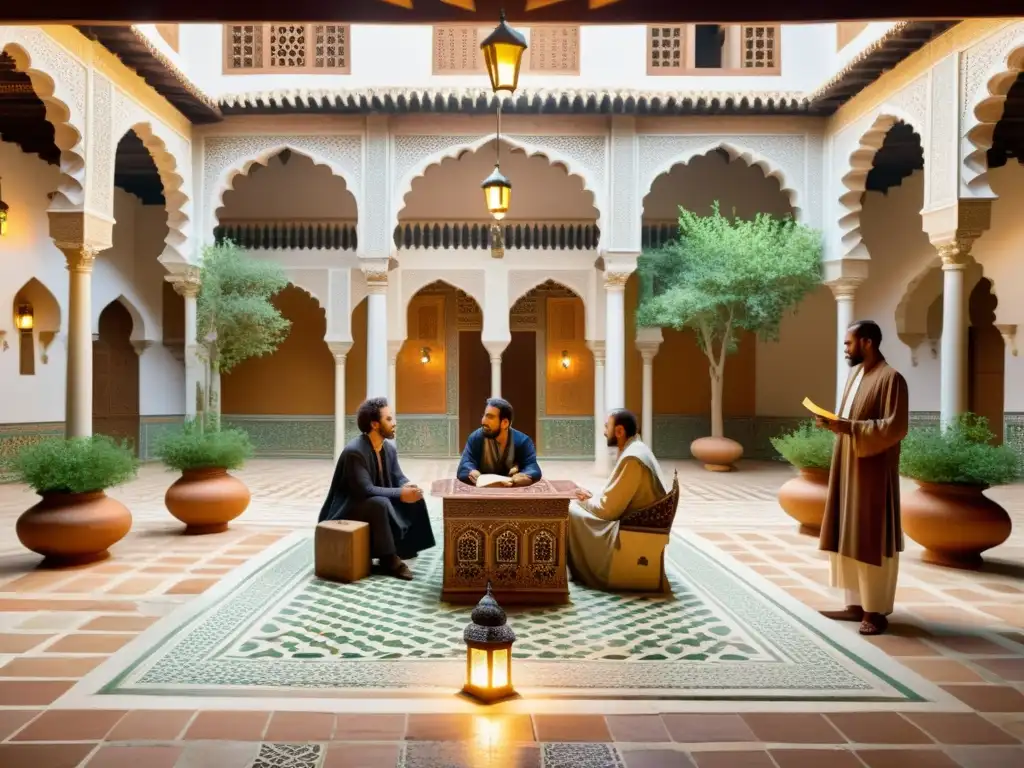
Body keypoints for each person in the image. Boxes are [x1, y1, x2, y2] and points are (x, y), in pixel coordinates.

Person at [816, 320, 908, 636]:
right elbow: (851, 421)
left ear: (867, 342)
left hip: (871, 474)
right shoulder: (856, 376)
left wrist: (851, 428)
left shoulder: (891, 378)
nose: (845, 349)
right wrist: (834, 424)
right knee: (849, 533)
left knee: (870, 536)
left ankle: (875, 611)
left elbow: (895, 427)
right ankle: (854, 604)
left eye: (848, 343)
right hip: (848, 468)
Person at [318, 397, 435, 580]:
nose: (394, 423)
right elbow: (365, 490)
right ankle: (388, 559)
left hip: (370, 503)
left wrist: (407, 485)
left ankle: (407, 547)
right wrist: (400, 494)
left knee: (414, 496)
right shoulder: (354, 452)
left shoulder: (388, 449)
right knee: (379, 503)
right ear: (374, 424)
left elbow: (398, 476)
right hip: (347, 510)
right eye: (388, 419)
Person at [567, 409, 667, 590]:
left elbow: (608, 511)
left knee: (569, 511)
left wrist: (583, 500)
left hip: (633, 525)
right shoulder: (637, 448)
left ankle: (582, 572)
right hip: (636, 516)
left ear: (619, 431)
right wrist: (592, 497)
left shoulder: (632, 458)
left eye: (607, 426)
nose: (605, 431)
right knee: (578, 506)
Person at [456, 397, 542, 487]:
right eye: (484, 416)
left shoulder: (523, 441)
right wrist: (471, 471)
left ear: (505, 423)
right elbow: (465, 464)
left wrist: (525, 476)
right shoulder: (476, 438)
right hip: (483, 492)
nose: (483, 421)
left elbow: (532, 467)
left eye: (490, 417)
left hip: (511, 493)